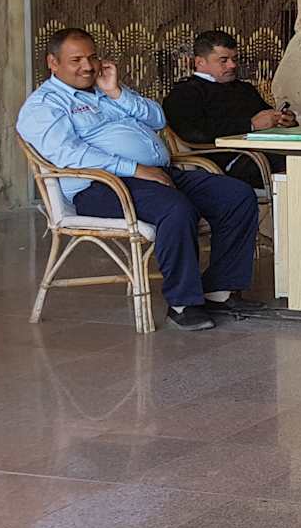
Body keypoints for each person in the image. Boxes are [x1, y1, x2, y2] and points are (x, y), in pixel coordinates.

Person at [17, 28, 261, 331]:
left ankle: (219, 290)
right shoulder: (44, 105)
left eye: (92, 57)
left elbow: (158, 118)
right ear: (53, 63)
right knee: (174, 208)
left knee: (236, 195)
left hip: (156, 174)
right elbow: (70, 154)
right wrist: (134, 168)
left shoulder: (105, 89)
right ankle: (183, 303)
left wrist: (116, 92)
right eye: (76, 60)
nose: (88, 66)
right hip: (100, 186)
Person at [162, 30, 293, 187]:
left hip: (259, 151)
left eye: (234, 59)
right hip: (226, 160)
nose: (232, 65)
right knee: (295, 161)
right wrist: (250, 125)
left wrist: (282, 120)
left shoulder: (244, 88)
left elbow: (266, 116)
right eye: (223, 60)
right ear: (200, 62)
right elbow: (194, 132)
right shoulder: (184, 92)